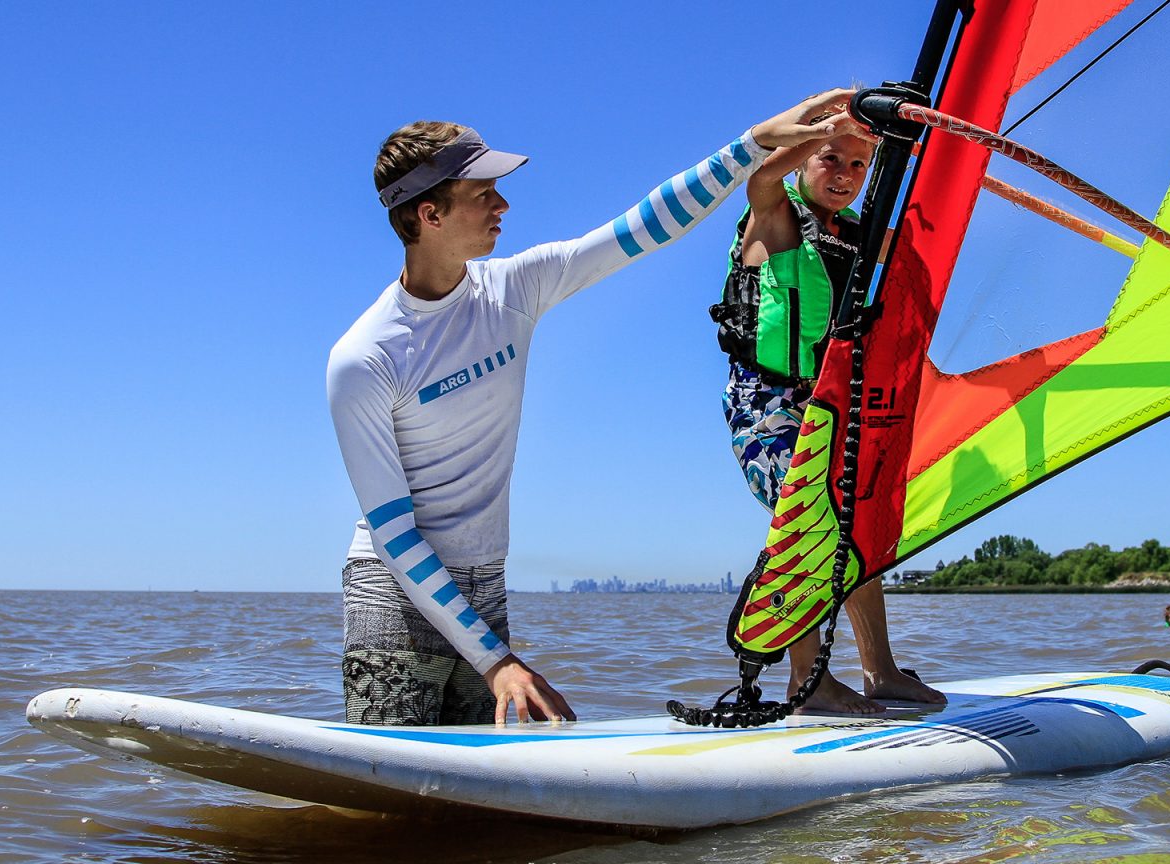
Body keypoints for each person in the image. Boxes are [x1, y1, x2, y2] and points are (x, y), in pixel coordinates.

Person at [327, 90, 863, 727]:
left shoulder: (512, 289)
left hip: (482, 583)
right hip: (394, 596)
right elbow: (392, 531)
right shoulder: (365, 356)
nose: (503, 204)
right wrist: (497, 661)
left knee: (470, 777)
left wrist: (753, 143)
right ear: (429, 214)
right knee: (387, 781)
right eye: (483, 193)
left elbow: (643, 228)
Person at [711, 125, 944, 715]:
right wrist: (828, 122)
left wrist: (910, 150)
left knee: (856, 523)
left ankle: (879, 670)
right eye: (830, 159)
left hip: (830, 399)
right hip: (766, 402)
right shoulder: (774, 213)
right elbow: (762, 174)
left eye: (859, 165)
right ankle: (806, 682)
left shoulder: (858, 234)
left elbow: (919, 249)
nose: (844, 175)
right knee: (809, 521)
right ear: (802, 160)